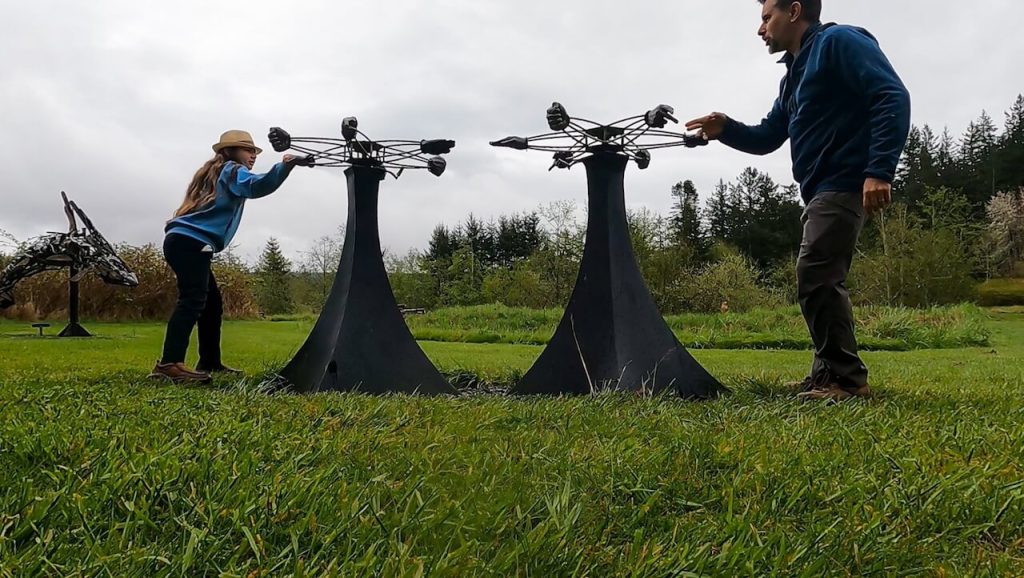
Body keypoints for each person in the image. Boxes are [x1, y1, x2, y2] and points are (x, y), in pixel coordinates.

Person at [686, 0, 911, 401]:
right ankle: (827, 372)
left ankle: (847, 381)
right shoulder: (792, 78)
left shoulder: (840, 42)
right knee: (819, 277)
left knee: (816, 275)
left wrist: (879, 171)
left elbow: (891, 96)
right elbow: (769, 136)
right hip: (818, 190)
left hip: (843, 183)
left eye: (765, 17)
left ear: (793, 11)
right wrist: (727, 129)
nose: (760, 29)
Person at [150, 130, 309, 382]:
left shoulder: (213, 173)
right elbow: (256, 186)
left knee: (211, 305)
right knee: (192, 301)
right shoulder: (233, 170)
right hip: (192, 242)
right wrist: (285, 167)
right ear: (230, 152)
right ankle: (169, 364)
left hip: (181, 240)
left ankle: (210, 361)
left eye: (254, 152)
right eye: (248, 150)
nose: (253, 156)